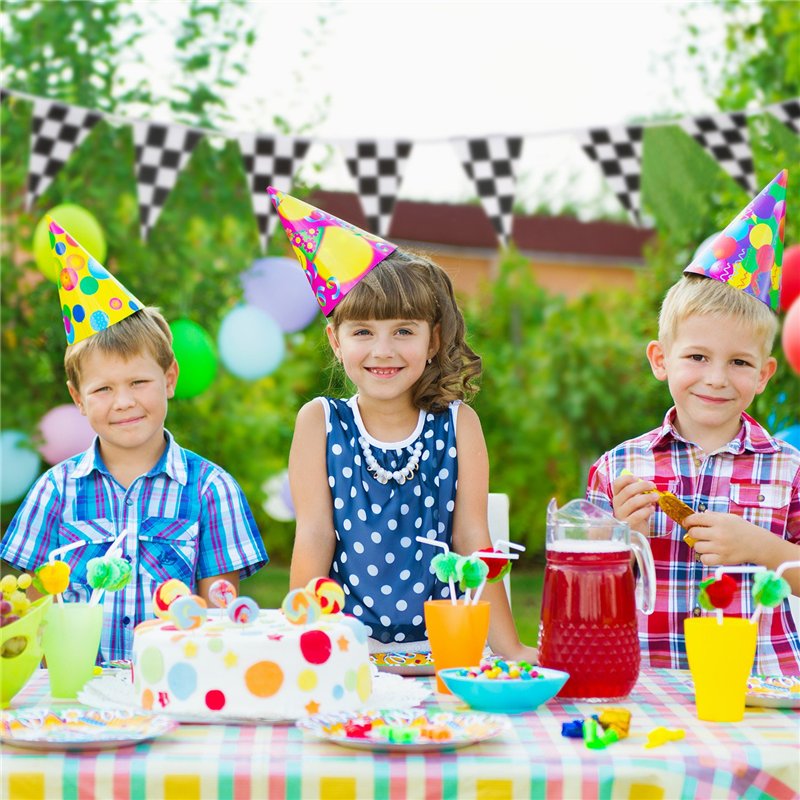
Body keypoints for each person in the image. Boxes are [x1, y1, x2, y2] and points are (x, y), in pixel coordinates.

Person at [268, 187, 537, 661]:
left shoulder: (458, 425)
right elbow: (313, 536)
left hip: (449, 647)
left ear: (433, 340)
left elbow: (473, 539)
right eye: (363, 332)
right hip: (348, 648)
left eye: (404, 331)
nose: (384, 350)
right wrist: (306, 642)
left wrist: (511, 649)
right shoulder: (320, 423)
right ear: (335, 340)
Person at [0, 218, 268, 662]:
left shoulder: (210, 490)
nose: (123, 402)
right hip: (78, 697)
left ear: (169, 378)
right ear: (78, 399)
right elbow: (26, 609)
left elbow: (222, 620)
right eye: (103, 389)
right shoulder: (55, 491)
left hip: (179, 691)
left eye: (138, 382)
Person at [587, 170, 800, 675]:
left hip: (763, 684)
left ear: (765, 374)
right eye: (697, 357)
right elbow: (587, 589)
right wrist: (620, 538)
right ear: (661, 360)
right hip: (645, 682)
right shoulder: (618, 468)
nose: (717, 379)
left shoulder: (790, 470)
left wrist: (761, 548)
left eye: (740, 363)